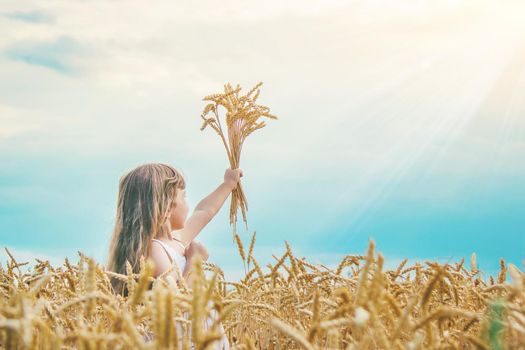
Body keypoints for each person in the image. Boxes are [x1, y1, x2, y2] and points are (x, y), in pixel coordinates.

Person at [106, 163, 242, 349]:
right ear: (167, 205)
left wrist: (228, 184)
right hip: (182, 339)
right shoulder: (154, 250)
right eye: (184, 197)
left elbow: (204, 212)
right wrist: (194, 261)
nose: (188, 204)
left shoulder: (177, 240)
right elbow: (178, 300)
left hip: (200, 332)